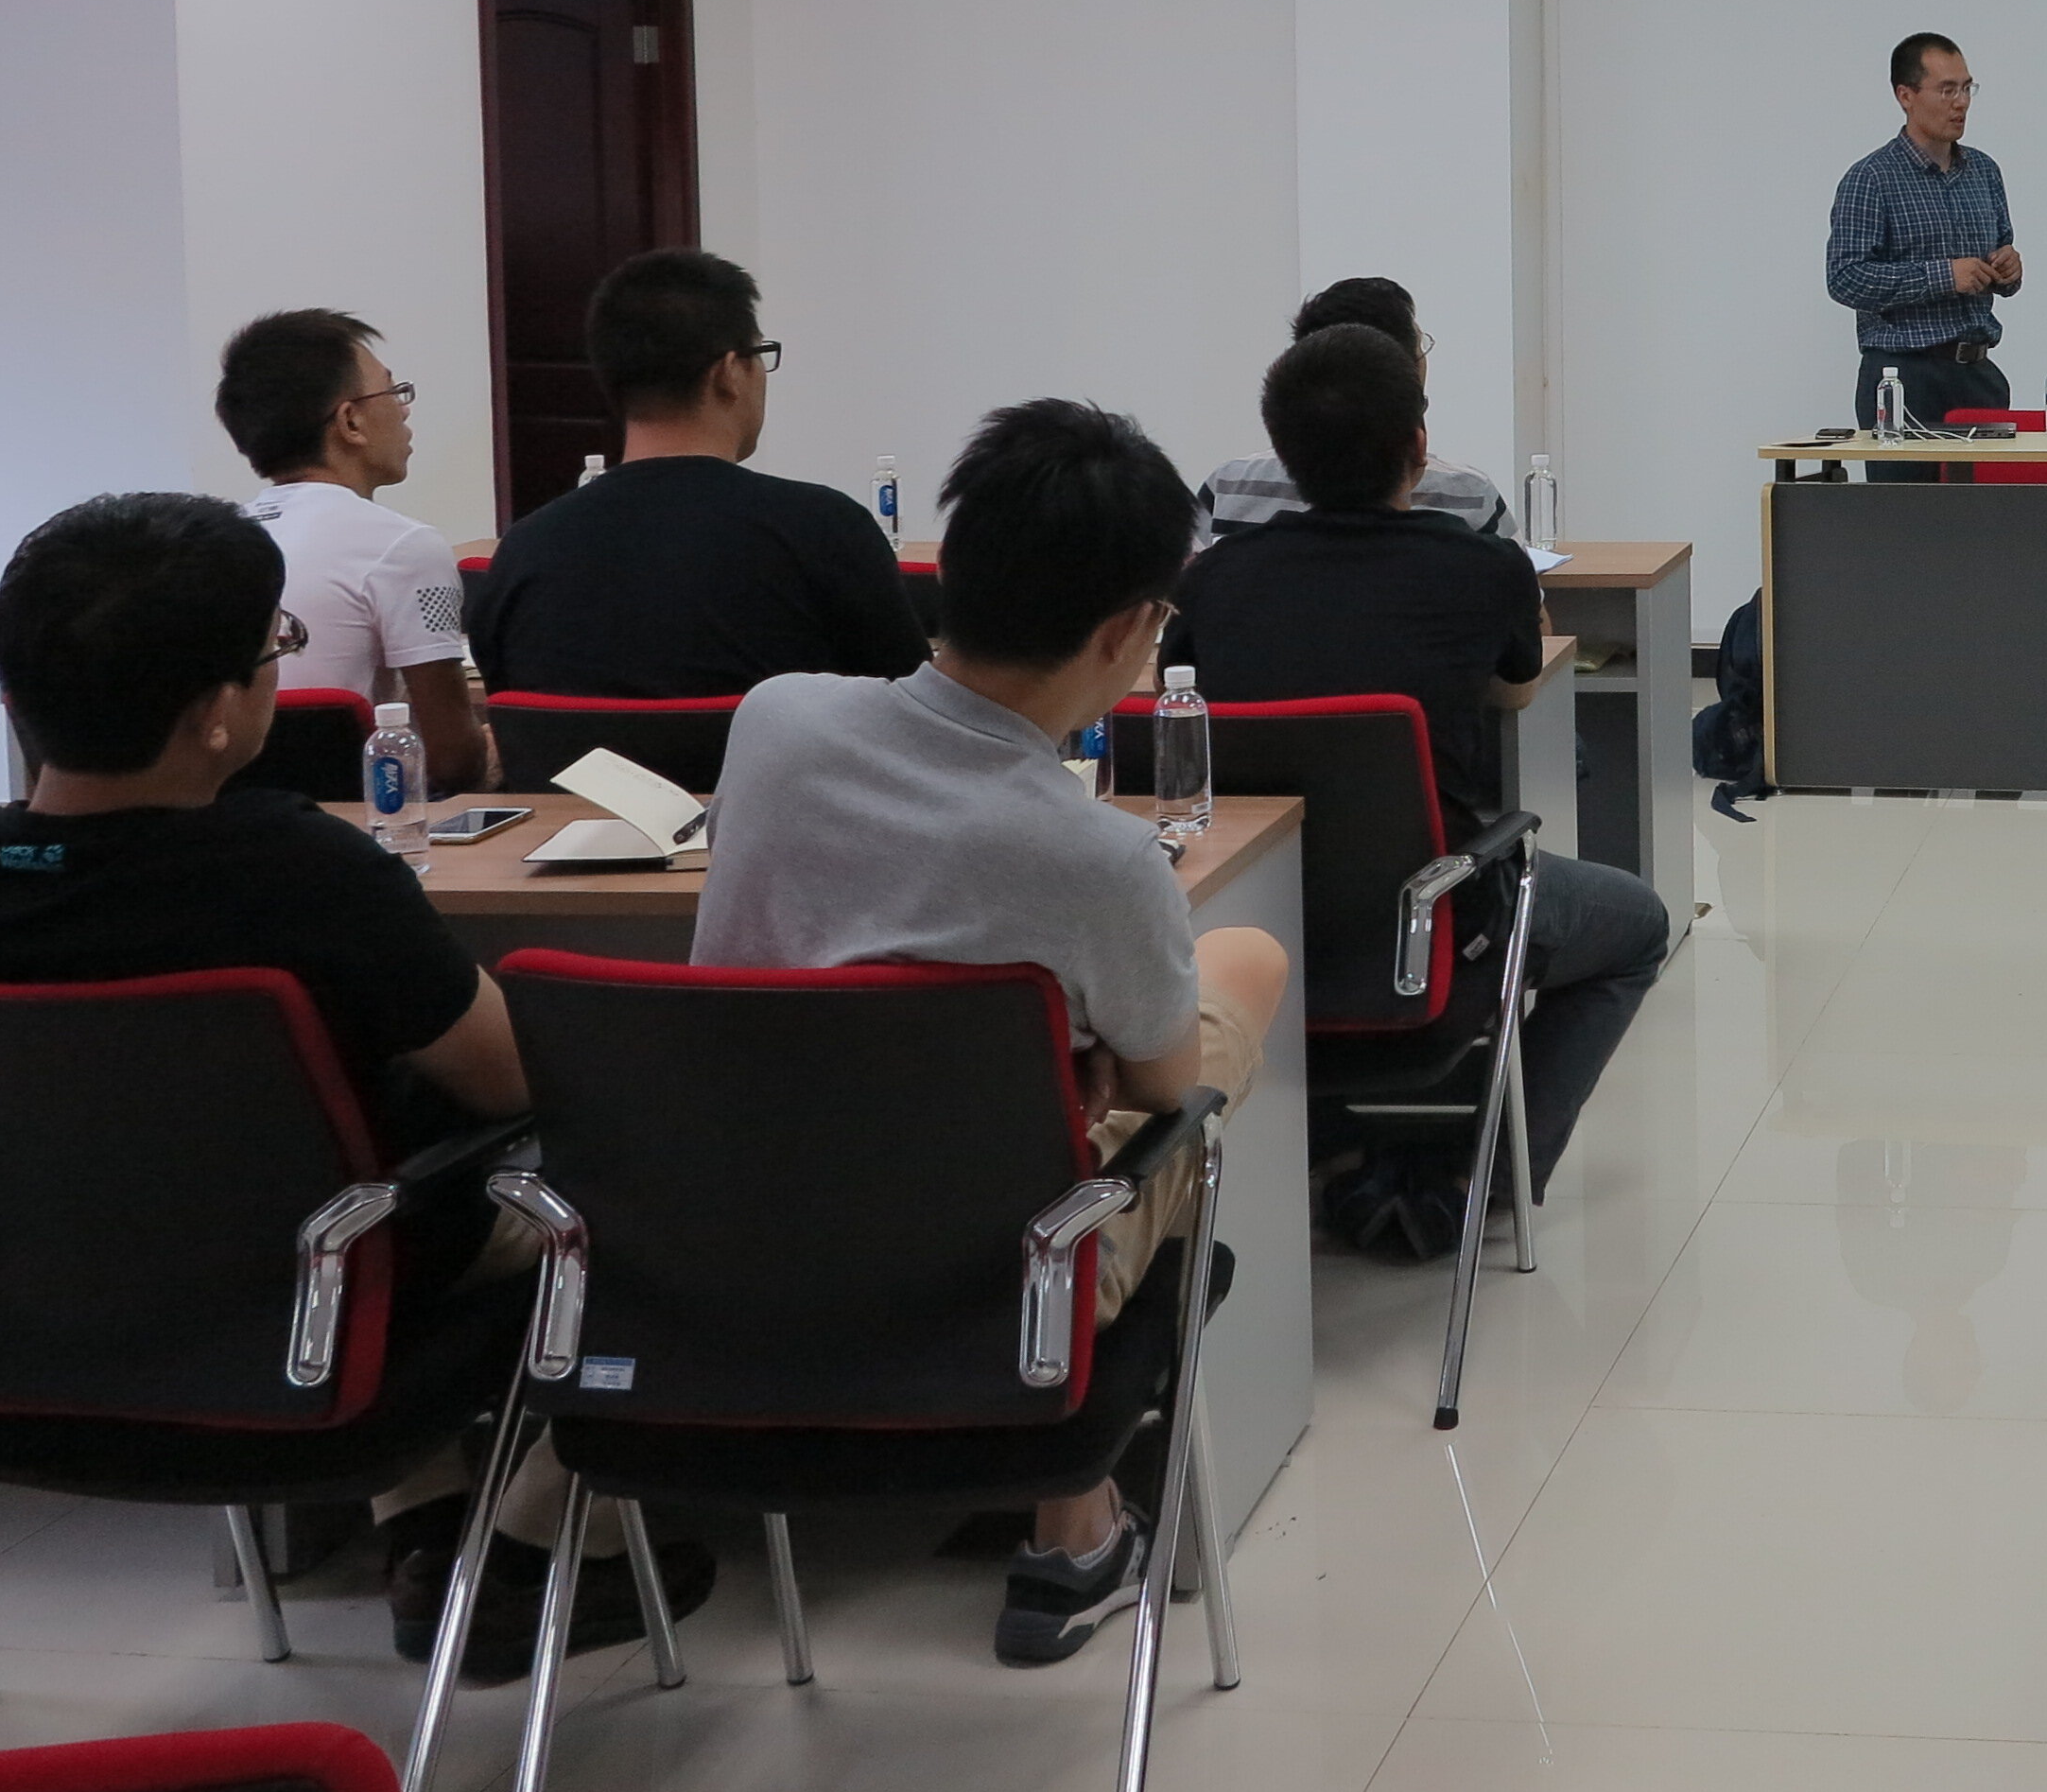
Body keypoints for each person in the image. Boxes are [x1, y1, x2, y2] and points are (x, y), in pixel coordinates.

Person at [0, 492, 708, 1675]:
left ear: (9, 695)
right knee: (653, 1200)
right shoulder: (296, 871)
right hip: (299, 1330)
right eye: (274, 651)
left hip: (2, 1343)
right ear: (215, 717)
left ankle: (425, 1530)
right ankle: (534, 1551)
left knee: (348, 1192)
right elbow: (509, 1080)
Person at [692, 400, 1291, 1669]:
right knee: (1241, 970)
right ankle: (1073, 1533)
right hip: (1000, 1280)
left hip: (735, 1245)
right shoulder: (1101, 861)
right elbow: (1163, 1087)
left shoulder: (773, 720)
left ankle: (1076, 1521)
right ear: (1128, 630)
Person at [1169, 324, 1671, 1255]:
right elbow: (1518, 682)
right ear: (1417, 444)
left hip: (1246, 935)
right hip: (1432, 929)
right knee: (1637, 925)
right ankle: (1481, 1178)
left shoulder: (1216, 580)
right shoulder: (1479, 566)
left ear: (1280, 452)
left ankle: (1334, 1147)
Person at [469, 251, 928, 699]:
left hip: (575, 759)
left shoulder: (525, 550)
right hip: (765, 757)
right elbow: (909, 707)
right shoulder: (825, 529)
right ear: (728, 373)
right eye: (759, 355)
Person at [217, 306, 488, 792]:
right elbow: (452, 762)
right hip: (360, 818)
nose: (404, 408)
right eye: (392, 391)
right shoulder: (405, 546)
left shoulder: (215, 541)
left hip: (227, 812)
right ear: (351, 422)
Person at [1191, 275, 1510, 544]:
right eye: (1420, 346)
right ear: (1417, 444)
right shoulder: (1469, 495)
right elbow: (1520, 595)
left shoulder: (1230, 487)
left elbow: (1181, 588)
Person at [1825, 32, 2019, 467]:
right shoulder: (1871, 179)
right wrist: (1945, 276)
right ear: (1906, 96)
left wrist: (2008, 269)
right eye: (1947, 90)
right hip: (1904, 378)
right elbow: (1845, 278)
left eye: (1967, 88)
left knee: (1989, 507)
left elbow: (2001, 253)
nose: (1961, 103)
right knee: (1908, 508)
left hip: (1978, 374)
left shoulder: (1984, 172)